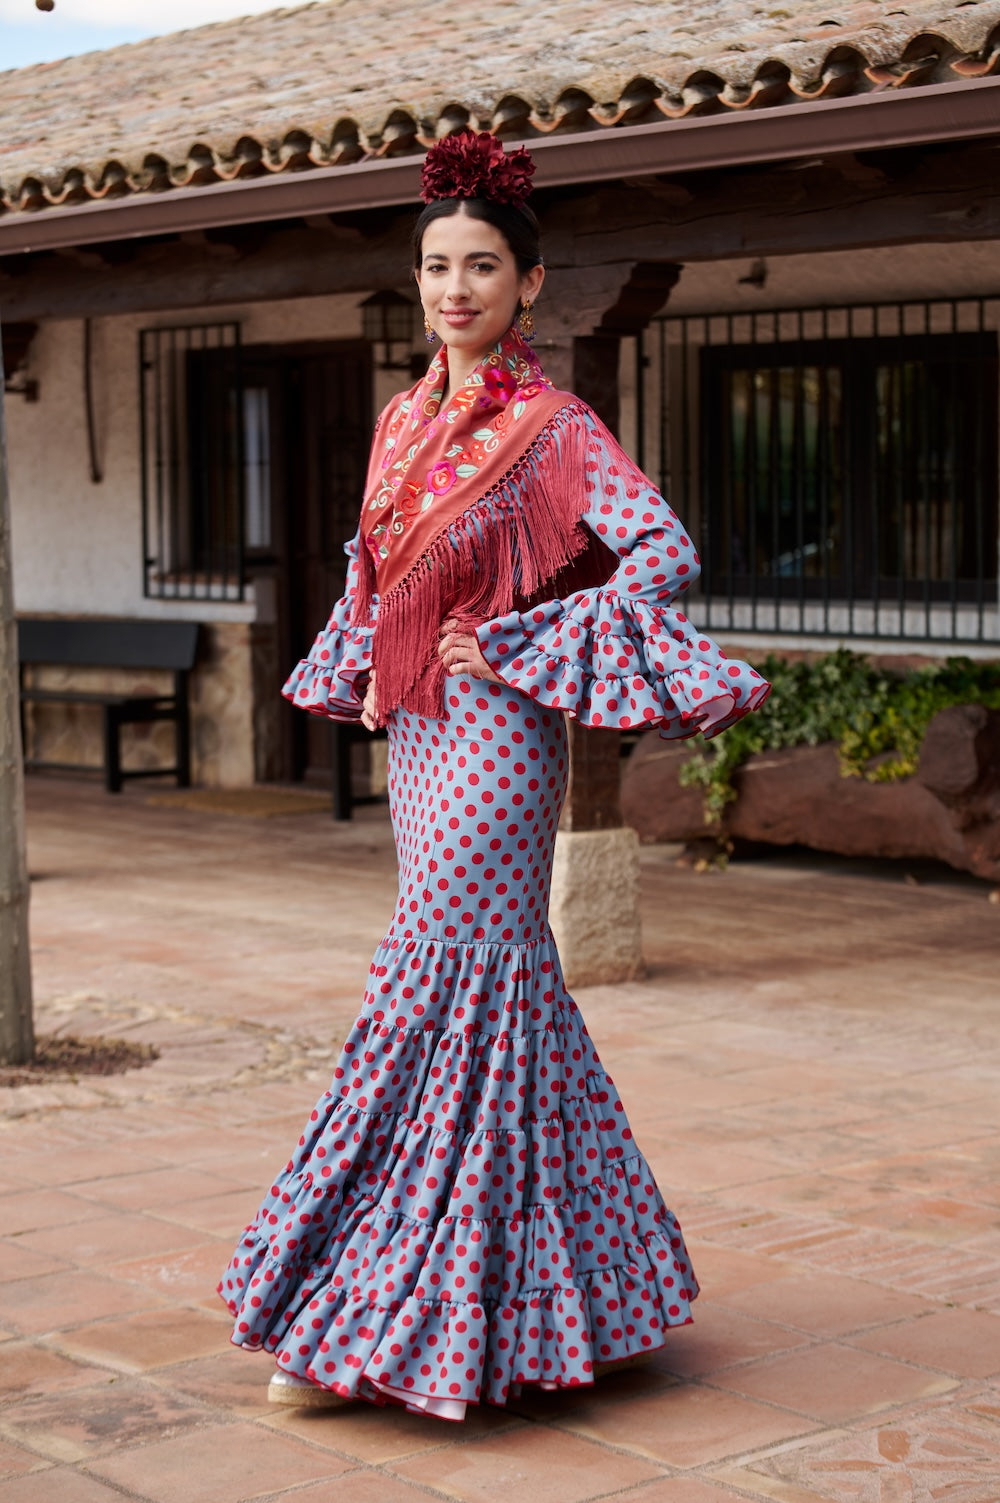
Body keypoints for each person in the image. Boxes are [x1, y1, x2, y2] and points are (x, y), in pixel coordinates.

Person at [218, 130, 770, 1422]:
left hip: (501, 744)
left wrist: (521, 637)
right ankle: (561, 1299)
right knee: (490, 996)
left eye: (481, 266)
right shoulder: (401, 419)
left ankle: (380, 1313)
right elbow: (371, 570)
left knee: (447, 988)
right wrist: (373, 658)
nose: (454, 287)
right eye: (435, 267)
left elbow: (662, 551)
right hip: (422, 736)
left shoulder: (555, 425)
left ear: (529, 283)